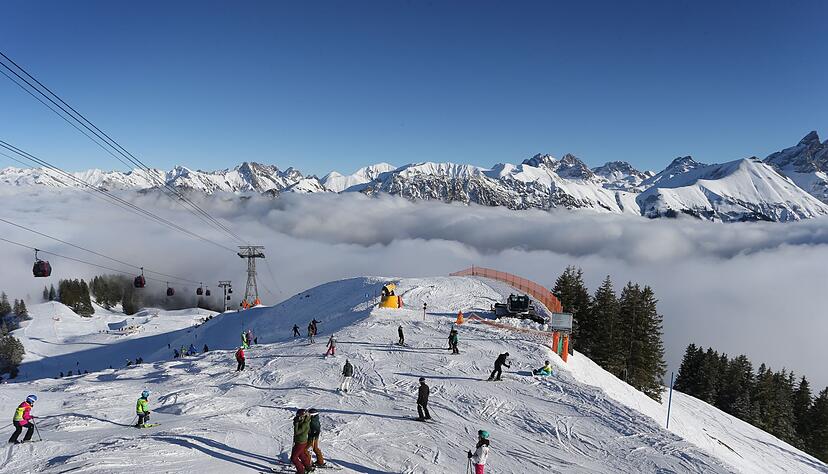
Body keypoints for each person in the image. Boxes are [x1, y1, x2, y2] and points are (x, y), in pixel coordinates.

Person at [290, 409, 314, 474]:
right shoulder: (304, 420)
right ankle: (308, 467)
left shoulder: (305, 424)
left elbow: (297, 432)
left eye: (299, 416)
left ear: (303, 416)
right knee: (301, 455)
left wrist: (296, 423)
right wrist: (296, 421)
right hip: (301, 441)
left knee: (294, 458)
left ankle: (301, 471)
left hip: (300, 442)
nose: (298, 417)